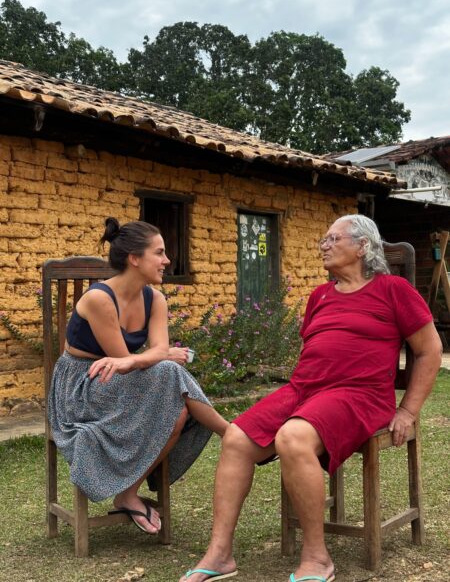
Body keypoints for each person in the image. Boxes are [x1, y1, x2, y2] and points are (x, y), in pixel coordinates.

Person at [179, 214, 442, 582]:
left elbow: (430, 350)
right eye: (324, 239)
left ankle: (317, 557)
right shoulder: (320, 295)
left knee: (293, 436)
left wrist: (408, 410)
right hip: (304, 389)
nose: (324, 245)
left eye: (333, 239)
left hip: (360, 394)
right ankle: (220, 554)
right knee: (236, 437)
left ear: (362, 247)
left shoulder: (393, 289)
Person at [48, 217, 229, 534]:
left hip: (119, 380)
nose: (167, 260)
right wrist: (157, 356)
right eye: (159, 253)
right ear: (134, 258)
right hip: (82, 387)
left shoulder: (155, 299)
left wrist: (154, 356)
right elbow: (130, 359)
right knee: (169, 370)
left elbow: (147, 355)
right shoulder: (99, 299)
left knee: (178, 410)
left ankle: (128, 493)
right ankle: (234, 435)